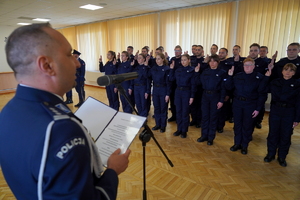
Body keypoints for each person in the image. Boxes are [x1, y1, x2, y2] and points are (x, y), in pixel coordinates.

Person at [0, 23, 131, 200]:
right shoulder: (60, 129)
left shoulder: (9, 111)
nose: (77, 63)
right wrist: (113, 171)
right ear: (47, 65)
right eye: (69, 55)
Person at [225, 58, 271, 155]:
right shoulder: (237, 76)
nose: (247, 67)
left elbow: (262, 95)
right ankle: (237, 143)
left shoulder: (259, 77)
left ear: (254, 66)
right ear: (243, 66)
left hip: (251, 104)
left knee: (247, 126)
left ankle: (245, 145)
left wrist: (258, 108)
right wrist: (229, 76)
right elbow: (229, 87)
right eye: (246, 65)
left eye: (250, 65)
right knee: (237, 125)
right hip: (237, 103)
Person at [264, 63, 300, 167]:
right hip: (276, 110)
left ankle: (282, 157)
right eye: (286, 69)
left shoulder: (297, 85)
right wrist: (267, 77)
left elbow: (298, 102)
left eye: (290, 70)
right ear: (282, 71)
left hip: (289, 112)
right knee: (273, 133)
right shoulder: (275, 82)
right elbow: (263, 89)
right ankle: (270, 154)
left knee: (286, 135)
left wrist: (297, 118)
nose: (288, 72)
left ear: (294, 73)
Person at [195, 54, 227, 145]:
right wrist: (196, 73)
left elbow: (223, 88)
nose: (212, 63)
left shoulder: (222, 72)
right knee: (205, 117)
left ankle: (210, 137)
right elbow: (198, 83)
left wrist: (221, 100)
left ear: (218, 62)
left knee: (213, 118)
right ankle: (204, 135)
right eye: (210, 61)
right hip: (205, 96)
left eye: (214, 61)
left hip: (215, 96)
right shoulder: (205, 71)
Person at [169, 54, 196, 138]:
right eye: (182, 60)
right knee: (178, 112)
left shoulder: (192, 70)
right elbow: (171, 79)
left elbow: (193, 84)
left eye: (185, 60)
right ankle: (179, 129)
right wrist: (171, 69)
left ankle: (184, 131)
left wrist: (192, 96)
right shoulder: (178, 70)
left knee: (185, 112)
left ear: (189, 60)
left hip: (186, 92)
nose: (183, 62)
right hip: (178, 92)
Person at [148, 53, 171, 133]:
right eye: (156, 59)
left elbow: (168, 83)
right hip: (155, 89)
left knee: (163, 108)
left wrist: (168, 94)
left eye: (158, 59)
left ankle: (163, 126)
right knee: (156, 107)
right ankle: (157, 124)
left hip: (163, 89)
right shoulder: (154, 68)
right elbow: (148, 76)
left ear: (162, 59)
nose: (157, 60)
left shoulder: (167, 68)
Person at [168, 45, 183, 122]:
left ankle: (178, 117)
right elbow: (169, 68)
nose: (176, 52)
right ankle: (173, 115)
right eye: (175, 51)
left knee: (178, 102)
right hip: (172, 83)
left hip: (180, 83)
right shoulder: (172, 59)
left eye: (178, 51)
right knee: (172, 101)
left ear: (181, 52)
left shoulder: (182, 59)